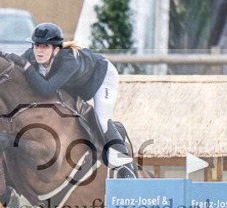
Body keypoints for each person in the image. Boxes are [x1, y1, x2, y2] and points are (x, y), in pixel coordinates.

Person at [15, 22, 136, 178]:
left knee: (102, 120)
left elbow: (45, 88)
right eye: (36, 45)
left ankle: (125, 166)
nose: (39, 50)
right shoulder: (30, 55)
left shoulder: (69, 61)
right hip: (77, 86)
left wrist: (26, 68)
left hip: (102, 77)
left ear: (56, 49)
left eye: (45, 46)